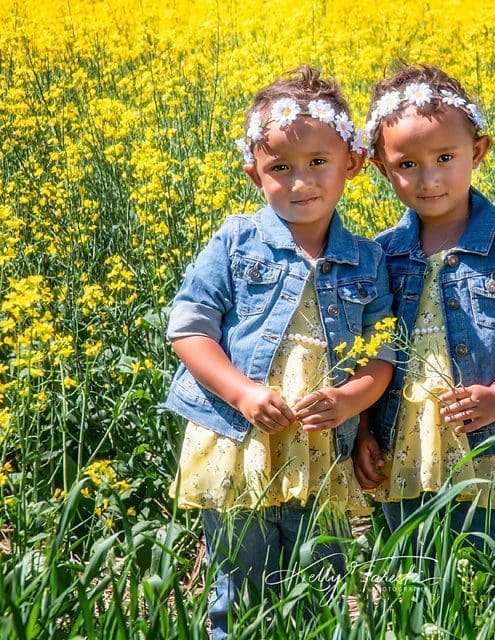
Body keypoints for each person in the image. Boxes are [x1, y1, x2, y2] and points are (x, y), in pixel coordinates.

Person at [164, 65, 394, 638]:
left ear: (353, 162)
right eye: (279, 169)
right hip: (241, 443)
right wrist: (243, 394)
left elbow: (383, 356)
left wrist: (349, 403)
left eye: (318, 163)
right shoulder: (236, 240)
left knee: (323, 584)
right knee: (239, 589)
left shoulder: (368, 260)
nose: (300, 183)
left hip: (323, 448)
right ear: (253, 173)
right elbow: (189, 328)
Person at [352, 64, 495, 564]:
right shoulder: (382, 254)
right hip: (403, 441)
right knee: (417, 571)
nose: (429, 179)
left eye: (445, 158)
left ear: (478, 152)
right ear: (383, 169)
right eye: (408, 165)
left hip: (487, 438)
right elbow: (371, 350)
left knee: (489, 567)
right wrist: (364, 432)